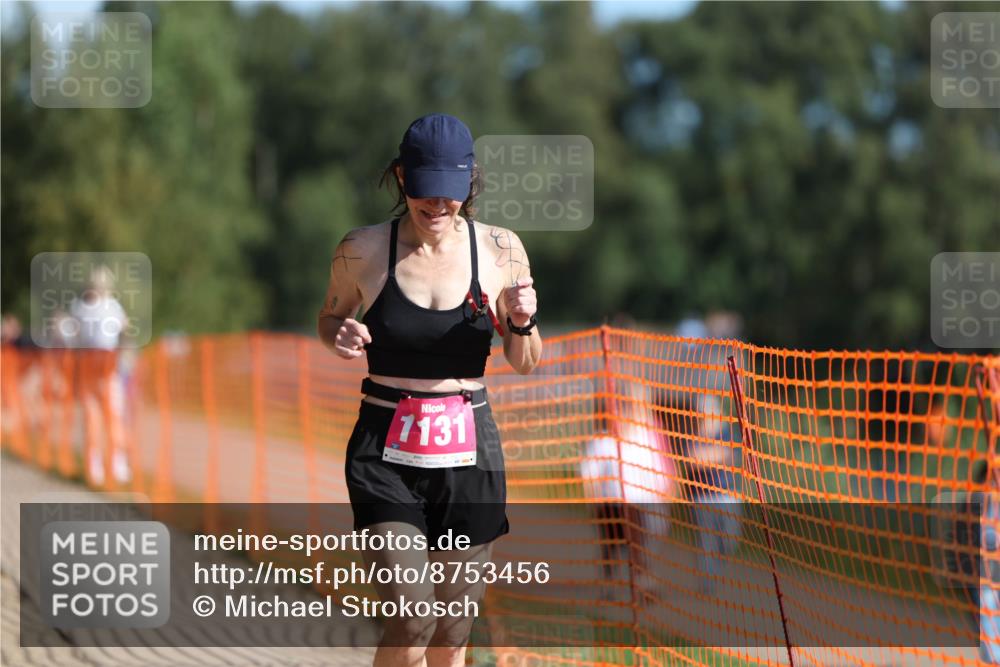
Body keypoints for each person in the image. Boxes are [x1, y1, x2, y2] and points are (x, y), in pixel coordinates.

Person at [317, 113, 541, 667]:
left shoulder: (502, 250)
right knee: (413, 618)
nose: (437, 207)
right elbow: (329, 318)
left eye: (450, 193)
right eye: (424, 191)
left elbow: (526, 360)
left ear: (469, 184)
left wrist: (521, 322)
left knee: (452, 631)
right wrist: (339, 333)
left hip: (469, 449)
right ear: (401, 179)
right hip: (383, 448)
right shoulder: (362, 250)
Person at [580, 380, 675, 600]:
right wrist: (593, 499)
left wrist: (665, 488)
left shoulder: (647, 434)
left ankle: (642, 583)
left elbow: (659, 466)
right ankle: (615, 584)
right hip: (615, 504)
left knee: (640, 545)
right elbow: (591, 472)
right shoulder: (606, 438)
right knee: (613, 547)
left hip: (644, 502)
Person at [69, 265, 130, 486]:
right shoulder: (81, 307)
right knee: (94, 417)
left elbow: (124, 331)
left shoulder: (110, 306)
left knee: (111, 415)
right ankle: (96, 463)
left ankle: (116, 461)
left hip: (107, 366)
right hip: (91, 367)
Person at [676, 393, 743, 593]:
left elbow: (732, 455)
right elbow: (691, 458)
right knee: (705, 541)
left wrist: (707, 456)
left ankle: (717, 568)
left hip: (726, 495)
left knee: (729, 539)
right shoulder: (695, 435)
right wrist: (715, 455)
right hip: (702, 497)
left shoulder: (727, 433)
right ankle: (708, 584)